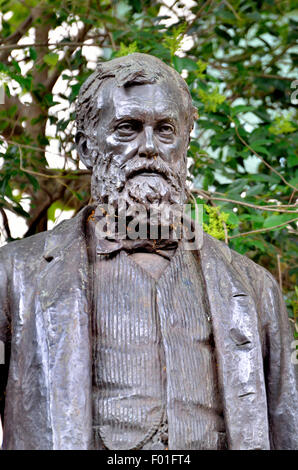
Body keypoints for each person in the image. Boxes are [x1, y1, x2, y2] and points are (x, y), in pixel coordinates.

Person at [0, 53, 297, 450]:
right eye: (128, 128)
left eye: (165, 130)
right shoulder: (15, 276)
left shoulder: (254, 290)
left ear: (184, 145)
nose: (150, 148)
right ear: (87, 148)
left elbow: (287, 425)